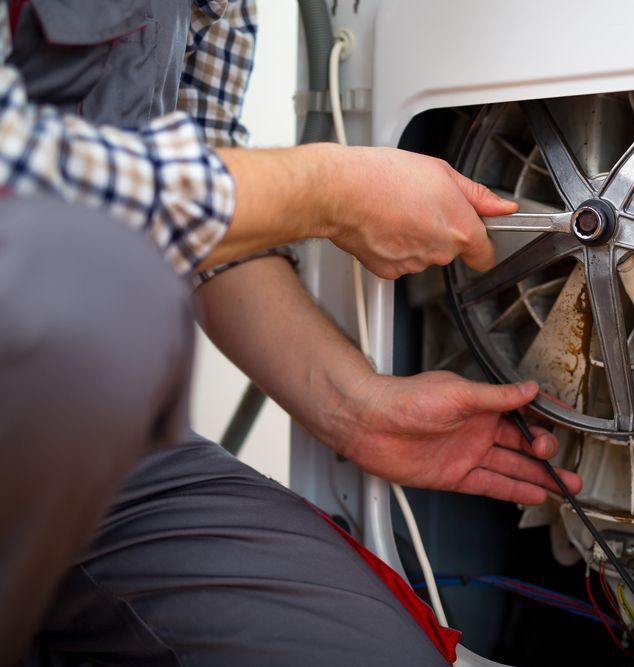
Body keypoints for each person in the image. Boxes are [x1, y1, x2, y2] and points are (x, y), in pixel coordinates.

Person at [0, 1, 582, 665]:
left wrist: (356, 410)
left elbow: (205, 225)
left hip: (102, 442)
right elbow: (23, 179)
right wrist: (330, 191)